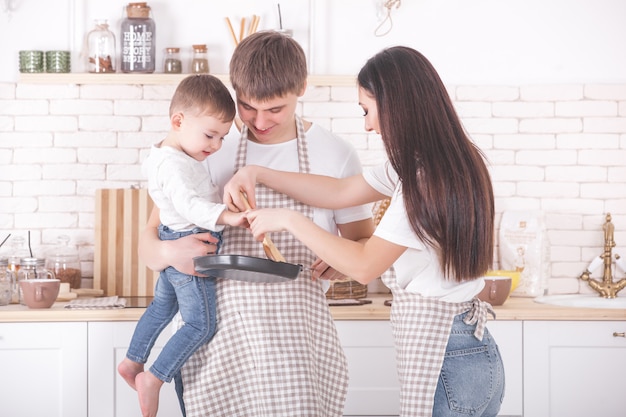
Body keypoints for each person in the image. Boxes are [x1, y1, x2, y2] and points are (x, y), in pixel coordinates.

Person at [226, 46, 505, 417]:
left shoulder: (422, 180)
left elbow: (363, 265)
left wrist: (289, 220)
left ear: (396, 105)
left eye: (367, 110)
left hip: (449, 356)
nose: (368, 125)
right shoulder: (435, 162)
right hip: (470, 350)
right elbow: (340, 191)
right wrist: (258, 174)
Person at [137, 31, 375, 417]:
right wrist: (168, 251)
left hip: (298, 347)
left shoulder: (336, 154)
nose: (259, 122)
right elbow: (149, 243)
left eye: (275, 109)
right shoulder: (208, 143)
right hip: (217, 345)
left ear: (301, 88)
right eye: (247, 107)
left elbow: (363, 248)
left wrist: (341, 263)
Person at [117, 74, 246, 417]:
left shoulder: (166, 155)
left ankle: (132, 361)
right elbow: (190, 206)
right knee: (200, 325)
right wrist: (229, 216)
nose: (216, 145)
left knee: (161, 307)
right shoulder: (175, 165)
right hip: (190, 244)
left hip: (173, 239)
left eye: (222, 137)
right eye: (210, 135)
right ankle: (155, 378)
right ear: (178, 121)